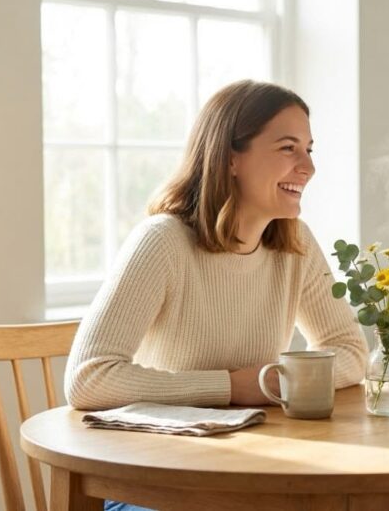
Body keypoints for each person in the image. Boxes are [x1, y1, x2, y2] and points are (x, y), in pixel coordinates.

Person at [65, 81, 368, 510]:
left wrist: (279, 381)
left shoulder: (294, 243)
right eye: (287, 148)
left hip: (252, 476)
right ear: (230, 158)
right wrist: (231, 387)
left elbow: (351, 352)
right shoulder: (162, 242)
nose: (308, 168)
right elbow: (88, 379)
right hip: (154, 487)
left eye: (309, 150)